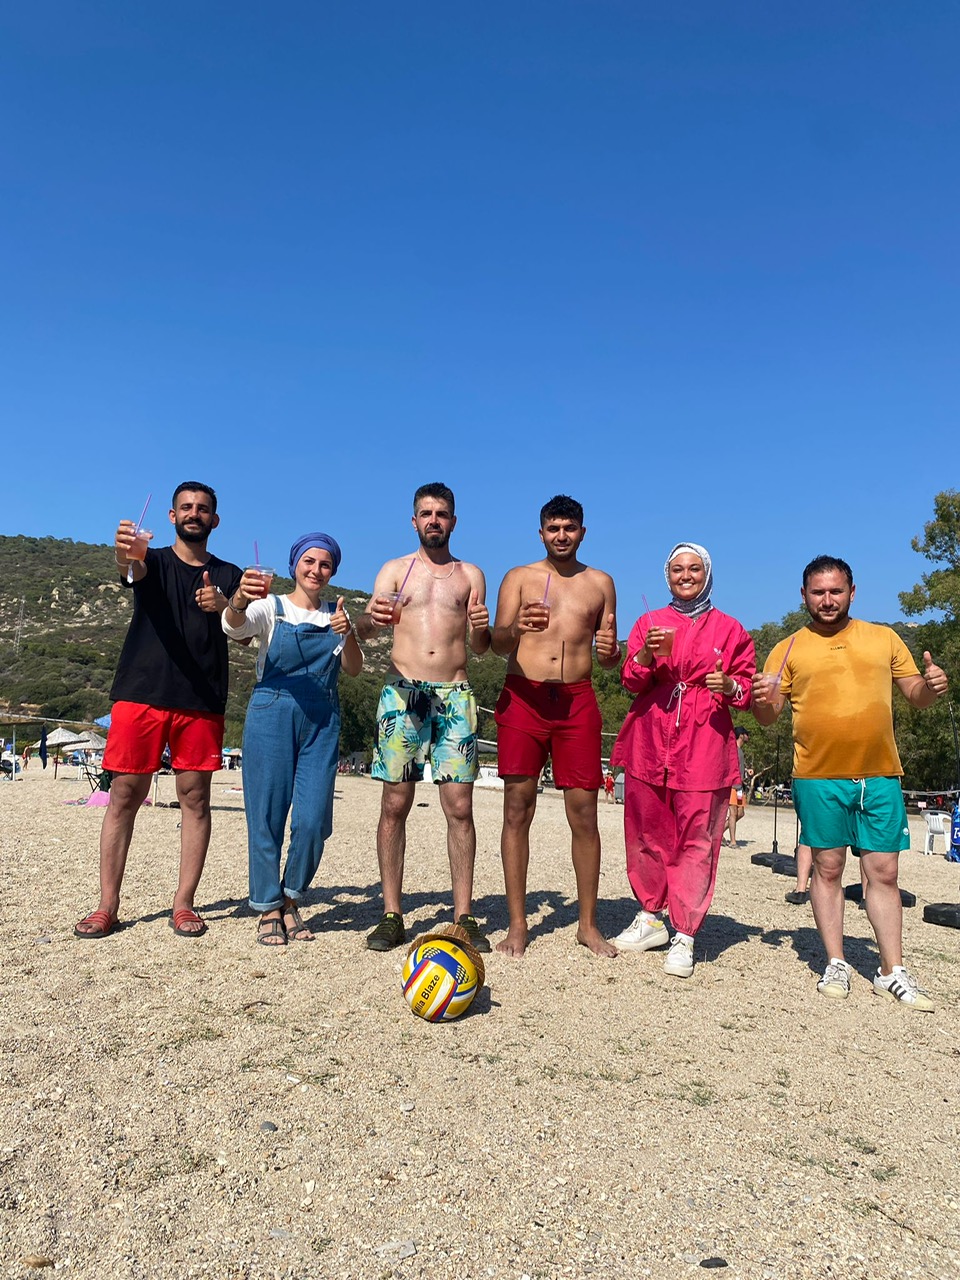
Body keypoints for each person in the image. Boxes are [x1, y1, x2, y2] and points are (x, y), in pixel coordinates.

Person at [753, 554, 947, 1011]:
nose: (827, 600)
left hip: (880, 773)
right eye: (818, 592)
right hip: (818, 776)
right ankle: (836, 961)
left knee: (885, 873)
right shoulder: (786, 648)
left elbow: (915, 696)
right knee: (828, 868)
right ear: (803, 595)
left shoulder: (884, 638)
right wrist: (760, 699)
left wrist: (932, 686)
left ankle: (891, 970)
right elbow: (767, 717)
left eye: (835, 591)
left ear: (852, 593)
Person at [75, 482, 241, 939]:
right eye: (186, 507)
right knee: (124, 795)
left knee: (196, 798)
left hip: (201, 699)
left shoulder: (229, 574)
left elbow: (244, 633)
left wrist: (226, 606)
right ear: (172, 516)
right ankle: (107, 905)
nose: (194, 513)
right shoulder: (155, 560)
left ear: (214, 520)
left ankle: (184, 904)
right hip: (141, 692)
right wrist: (124, 553)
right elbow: (132, 569)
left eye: (202, 509)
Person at [354, 483, 491, 952]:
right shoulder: (395, 570)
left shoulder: (470, 574)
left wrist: (482, 629)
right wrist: (371, 618)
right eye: (426, 513)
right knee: (395, 804)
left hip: (454, 694)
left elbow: (480, 647)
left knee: (460, 808)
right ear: (413, 521)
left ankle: (464, 915)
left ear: (454, 521)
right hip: (403, 692)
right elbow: (368, 630)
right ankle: (392, 913)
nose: (434, 520)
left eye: (442, 513)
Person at [610, 543, 755, 978]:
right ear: (667, 576)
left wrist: (730, 686)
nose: (685, 575)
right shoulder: (649, 622)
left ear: (707, 574)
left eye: (694, 568)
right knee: (645, 829)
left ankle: (685, 933)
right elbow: (630, 681)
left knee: (697, 836)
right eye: (677, 569)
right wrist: (644, 654)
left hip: (705, 737)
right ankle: (650, 916)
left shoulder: (730, 629)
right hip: (651, 734)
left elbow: (747, 689)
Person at [491, 494, 620, 958]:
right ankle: (518, 924)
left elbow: (609, 656)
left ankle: (588, 924)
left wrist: (612, 652)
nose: (561, 535)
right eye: (553, 528)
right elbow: (494, 642)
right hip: (523, 696)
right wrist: (516, 629)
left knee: (584, 813)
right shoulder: (518, 577)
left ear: (582, 532)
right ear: (541, 532)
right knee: (516, 809)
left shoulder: (600, 583)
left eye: (569, 528)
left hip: (576, 700)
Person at [223, 534, 363, 945]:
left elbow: (354, 669)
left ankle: (291, 895)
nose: (316, 570)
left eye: (325, 564)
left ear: (332, 571)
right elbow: (234, 627)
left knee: (314, 818)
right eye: (309, 561)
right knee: (266, 812)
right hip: (272, 709)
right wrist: (239, 599)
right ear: (294, 565)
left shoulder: (336, 615)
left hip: (322, 718)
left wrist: (349, 633)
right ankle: (269, 905)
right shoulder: (271, 607)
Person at [724, 726, 750, 847]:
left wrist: (746, 771)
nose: (748, 736)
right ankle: (733, 841)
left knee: (740, 813)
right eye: (746, 734)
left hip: (739, 788)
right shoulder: (733, 749)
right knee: (733, 812)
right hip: (732, 786)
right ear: (741, 735)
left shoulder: (740, 751)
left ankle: (718, 833)